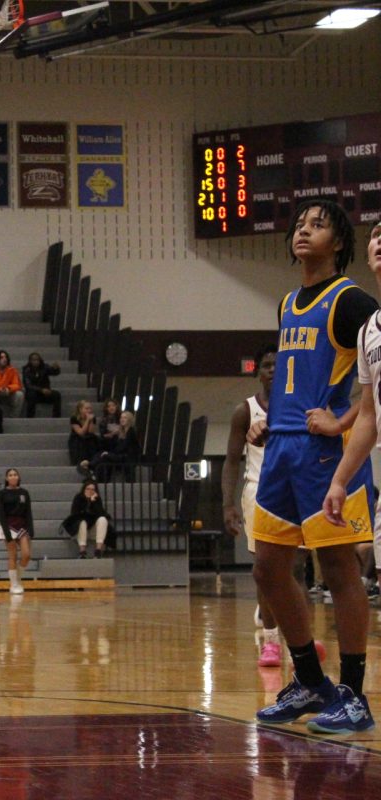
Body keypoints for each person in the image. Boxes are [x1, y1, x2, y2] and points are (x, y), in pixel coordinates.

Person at [250, 201, 380, 734]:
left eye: (318, 224)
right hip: (281, 447)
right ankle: (309, 680)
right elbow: (292, 377)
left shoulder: (353, 302)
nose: (304, 230)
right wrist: (267, 418)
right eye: (300, 224)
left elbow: (372, 387)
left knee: (339, 572)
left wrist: (341, 418)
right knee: (268, 571)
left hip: (324, 454)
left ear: (340, 243)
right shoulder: (286, 303)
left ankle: (352, 692)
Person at [307, 217, 381, 734]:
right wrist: (340, 479)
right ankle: (357, 703)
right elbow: (371, 415)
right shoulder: (371, 329)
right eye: (377, 234)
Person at [222, 346, 283, 668]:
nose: (273, 369)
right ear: (257, 372)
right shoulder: (244, 411)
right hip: (258, 492)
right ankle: (272, 641)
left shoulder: (301, 406)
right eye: (267, 365)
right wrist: (227, 505)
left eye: (278, 364)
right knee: (267, 572)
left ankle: (297, 637)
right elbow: (232, 461)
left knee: (296, 569)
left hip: (295, 492)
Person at [0, 468, 34, 594]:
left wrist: (31, 528)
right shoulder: (2, 493)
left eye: (15, 474)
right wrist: (6, 533)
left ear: (18, 477)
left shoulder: (24, 492)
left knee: (26, 555)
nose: (13, 477)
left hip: (22, 525)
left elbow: (28, 511)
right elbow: (0, 513)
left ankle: (18, 577)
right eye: (10, 475)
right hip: (9, 525)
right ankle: (13, 584)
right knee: (12, 555)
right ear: (6, 478)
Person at [63, 480, 111, 558]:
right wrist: (87, 504)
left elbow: (101, 514)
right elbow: (75, 515)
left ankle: (98, 550)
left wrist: (93, 502)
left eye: (92, 489)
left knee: (102, 519)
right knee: (82, 522)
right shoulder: (78, 498)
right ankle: (82, 551)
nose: (90, 491)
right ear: (84, 489)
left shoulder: (96, 499)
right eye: (88, 489)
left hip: (92, 529)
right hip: (79, 529)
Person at [91, 410, 140, 481]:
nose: (122, 419)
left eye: (125, 418)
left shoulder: (131, 432)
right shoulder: (121, 433)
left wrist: (110, 454)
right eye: (121, 418)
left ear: (129, 420)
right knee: (102, 454)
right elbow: (116, 447)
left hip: (127, 458)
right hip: (121, 456)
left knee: (105, 456)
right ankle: (98, 476)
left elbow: (124, 447)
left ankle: (91, 468)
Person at [22, 352, 61, 418]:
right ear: (30, 361)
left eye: (37, 360)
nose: (36, 362)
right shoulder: (26, 370)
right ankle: (30, 417)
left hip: (45, 393)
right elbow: (28, 385)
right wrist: (41, 390)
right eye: (34, 360)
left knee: (57, 395)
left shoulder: (45, 367)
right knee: (31, 394)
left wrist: (56, 368)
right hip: (34, 393)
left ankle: (56, 417)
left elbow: (53, 372)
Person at [68, 400, 101, 469]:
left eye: (90, 408)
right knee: (80, 442)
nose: (89, 410)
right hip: (77, 437)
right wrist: (87, 420)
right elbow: (81, 432)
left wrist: (91, 420)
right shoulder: (74, 418)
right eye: (86, 408)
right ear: (80, 409)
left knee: (93, 440)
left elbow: (91, 432)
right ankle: (80, 462)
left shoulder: (92, 418)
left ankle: (91, 463)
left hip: (89, 437)